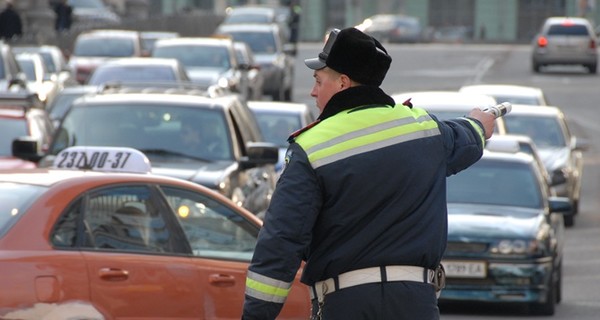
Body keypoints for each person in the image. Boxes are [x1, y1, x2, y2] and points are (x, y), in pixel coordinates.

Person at [241, 27, 496, 320]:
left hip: (347, 304)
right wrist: (479, 123)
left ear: (343, 83)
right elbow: (465, 137)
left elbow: (281, 242)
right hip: (417, 305)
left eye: (318, 81)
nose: (312, 91)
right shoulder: (423, 128)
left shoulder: (313, 148)